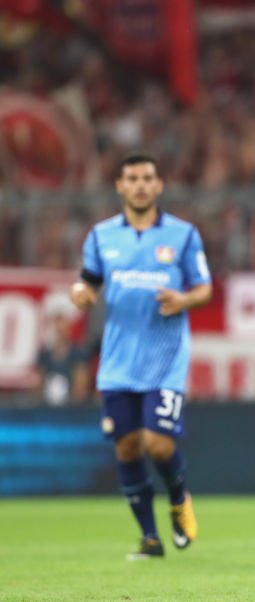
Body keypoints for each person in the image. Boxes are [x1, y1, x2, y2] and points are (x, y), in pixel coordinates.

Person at [70, 153, 211, 560]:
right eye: (132, 178)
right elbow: (88, 282)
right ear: (120, 186)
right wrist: (81, 294)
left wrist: (183, 299)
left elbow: (203, 288)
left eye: (148, 177)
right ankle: (150, 539)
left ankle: (178, 497)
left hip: (165, 358)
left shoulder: (182, 235)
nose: (140, 185)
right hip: (117, 362)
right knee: (127, 448)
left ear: (159, 185)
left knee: (159, 445)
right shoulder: (101, 236)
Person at [35, 297, 90, 406]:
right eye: (56, 322)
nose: (59, 327)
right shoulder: (44, 354)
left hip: (71, 409)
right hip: (47, 407)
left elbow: (81, 387)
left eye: (62, 322)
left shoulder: (78, 353)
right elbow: (38, 384)